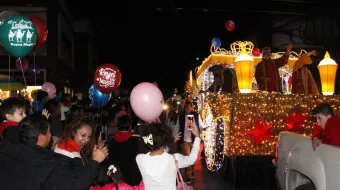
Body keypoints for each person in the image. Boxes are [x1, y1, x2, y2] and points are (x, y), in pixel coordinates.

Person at [0, 114, 109, 190]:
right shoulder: (51, 163)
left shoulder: (7, 151)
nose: (51, 135)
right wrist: (95, 162)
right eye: (48, 131)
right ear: (41, 137)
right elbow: (74, 187)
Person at [136, 122, 201, 190]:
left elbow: (158, 155)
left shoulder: (139, 159)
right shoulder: (174, 159)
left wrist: (170, 143)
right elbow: (191, 160)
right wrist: (197, 137)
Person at [175, 100, 206, 183]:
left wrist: (204, 128)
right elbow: (177, 126)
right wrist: (175, 137)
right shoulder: (181, 116)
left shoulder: (195, 115)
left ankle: (191, 172)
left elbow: (200, 124)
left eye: (189, 107)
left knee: (193, 158)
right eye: (186, 107)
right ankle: (188, 175)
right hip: (185, 140)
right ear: (184, 108)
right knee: (187, 157)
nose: (187, 108)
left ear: (191, 107)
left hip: (193, 140)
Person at [109, 115, 143, 186]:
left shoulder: (112, 140)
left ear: (118, 126)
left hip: (118, 177)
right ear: (130, 126)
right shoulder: (137, 140)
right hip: (133, 177)